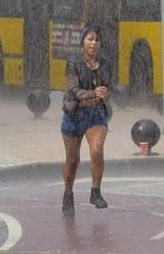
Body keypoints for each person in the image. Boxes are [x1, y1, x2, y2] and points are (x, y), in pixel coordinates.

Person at [60, 25, 112, 215]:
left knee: (97, 151)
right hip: (74, 113)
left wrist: (105, 94)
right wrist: (92, 92)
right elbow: (73, 89)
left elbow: (108, 87)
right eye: (90, 39)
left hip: (96, 114)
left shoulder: (105, 62)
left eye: (97, 40)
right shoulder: (73, 61)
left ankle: (95, 192)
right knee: (72, 160)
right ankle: (68, 193)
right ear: (82, 42)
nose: (94, 43)